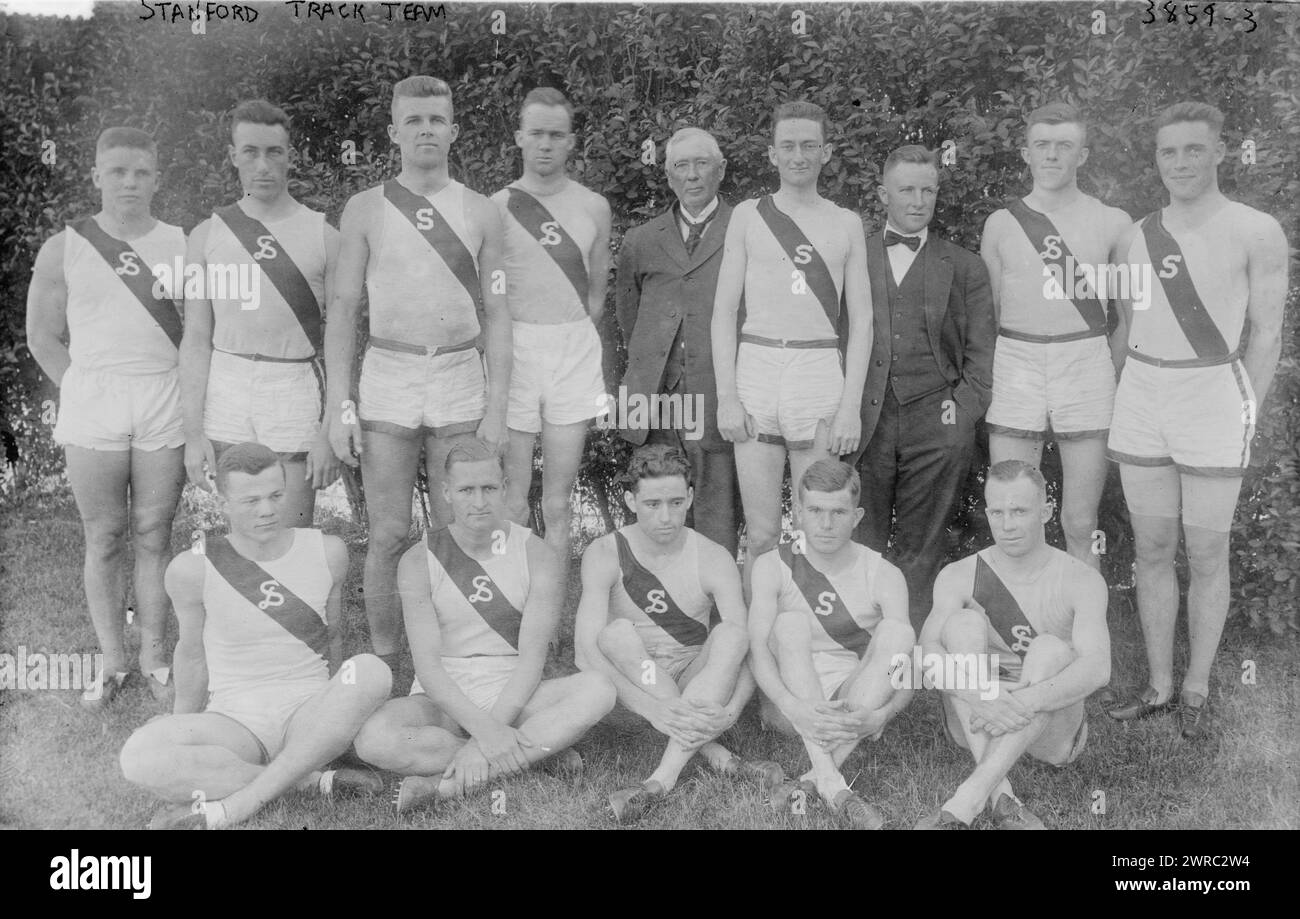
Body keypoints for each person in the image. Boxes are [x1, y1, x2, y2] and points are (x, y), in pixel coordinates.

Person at [1104, 101, 1288, 739]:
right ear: (1156, 159)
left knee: (1207, 552)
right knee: (1152, 547)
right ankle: (1157, 684)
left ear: (1219, 151)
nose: (1179, 163)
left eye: (1192, 149)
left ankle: (1197, 687)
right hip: (1144, 395)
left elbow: (1266, 336)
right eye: (1167, 152)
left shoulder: (1256, 229)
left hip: (1213, 394)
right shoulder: (1136, 233)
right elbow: (1125, 329)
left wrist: (1245, 410)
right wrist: (1120, 394)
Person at [326, 75, 512, 679]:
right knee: (387, 531)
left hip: (460, 372)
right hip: (389, 372)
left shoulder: (481, 211)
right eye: (414, 121)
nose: (426, 130)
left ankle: (455, 656)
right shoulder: (366, 208)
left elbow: (500, 311)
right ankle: (385, 659)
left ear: (454, 130)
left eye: (437, 119)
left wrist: (497, 406)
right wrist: (339, 406)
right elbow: (342, 311)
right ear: (393, 133)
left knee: (455, 527)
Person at [119, 442, 392, 829]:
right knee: (138, 755)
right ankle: (306, 781)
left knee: (370, 671)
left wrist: (333, 715)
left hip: (308, 710)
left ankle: (236, 805)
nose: (267, 510)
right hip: (236, 720)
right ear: (224, 502)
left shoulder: (328, 551)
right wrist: (182, 729)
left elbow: (334, 640)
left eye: (276, 496)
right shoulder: (192, 568)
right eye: (250, 501)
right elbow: (192, 654)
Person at [353, 439, 616, 812]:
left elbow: (530, 661)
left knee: (599, 689)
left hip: (514, 690)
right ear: (446, 493)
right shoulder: (418, 560)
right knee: (372, 739)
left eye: (489, 488)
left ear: (505, 489)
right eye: (466, 490)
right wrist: (488, 734)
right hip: (443, 697)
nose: (479, 501)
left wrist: (483, 740)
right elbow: (428, 668)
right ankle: (537, 753)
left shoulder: (537, 555)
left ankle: (447, 785)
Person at [25, 127, 188, 708]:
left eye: (141, 172)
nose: (129, 183)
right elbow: (41, 336)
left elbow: (198, 333)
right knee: (105, 535)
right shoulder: (64, 246)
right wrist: (84, 390)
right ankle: (113, 662)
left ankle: (154, 659)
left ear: (156, 179)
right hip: (94, 396)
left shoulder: (180, 243)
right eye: (117, 171)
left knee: (153, 533)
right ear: (96, 175)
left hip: (161, 394)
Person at [712, 101, 872, 598]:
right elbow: (722, 313)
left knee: (817, 532)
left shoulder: (846, 222)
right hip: (757, 366)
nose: (798, 155)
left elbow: (863, 319)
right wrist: (727, 397)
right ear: (771, 154)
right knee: (760, 534)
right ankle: (752, 643)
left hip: (818, 369)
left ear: (826, 152)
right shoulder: (746, 216)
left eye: (808, 145)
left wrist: (849, 408)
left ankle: (812, 640)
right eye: (788, 146)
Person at [574, 445, 780, 824]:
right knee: (616, 634)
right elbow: (585, 655)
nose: (665, 517)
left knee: (734, 633)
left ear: (689, 497)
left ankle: (660, 781)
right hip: (636, 683)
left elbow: (746, 649)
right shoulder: (604, 552)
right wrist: (655, 710)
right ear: (630, 500)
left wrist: (731, 713)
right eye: (652, 504)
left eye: (675, 502)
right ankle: (717, 755)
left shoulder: (714, 556)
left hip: (691, 679)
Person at [916, 460, 1109, 829]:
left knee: (1050, 648)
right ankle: (998, 797)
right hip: (973, 716)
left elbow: (1098, 667)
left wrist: (1022, 702)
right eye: (997, 512)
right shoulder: (957, 575)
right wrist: (976, 693)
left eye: (1020, 511)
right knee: (962, 624)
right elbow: (918, 658)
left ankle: (968, 799)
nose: (1007, 525)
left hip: (1049, 732)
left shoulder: (1081, 579)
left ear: (1047, 512)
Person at [980, 103, 1133, 566]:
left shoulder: (1114, 223)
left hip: (1085, 363)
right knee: (1014, 513)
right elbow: (990, 315)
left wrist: (1108, 369)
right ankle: (1023, 628)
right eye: (1041, 145)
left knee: (1080, 521)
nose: (1051, 156)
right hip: (1016, 361)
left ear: (1083, 155)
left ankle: (1083, 629)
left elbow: (1131, 317)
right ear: (1025, 153)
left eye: (1064, 146)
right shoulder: (1000, 224)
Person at [851, 144, 996, 630]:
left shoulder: (964, 265)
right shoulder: (853, 255)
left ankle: (907, 639)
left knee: (923, 540)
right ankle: (857, 634)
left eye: (927, 190)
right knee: (861, 531)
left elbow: (981, 355)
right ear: (882, 193)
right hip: (867, 416)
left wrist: (961, 416)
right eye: (906, 189)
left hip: (937, 417)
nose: (918, 200)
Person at [180, 99, 340, 529]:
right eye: (250, 152)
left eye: (274, 152)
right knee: (242, 532)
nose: (263, 164)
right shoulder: (207, 235)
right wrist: (193, 432)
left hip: (292, 384)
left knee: (291, 532)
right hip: (227, 384)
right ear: (233, 156)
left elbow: (342, 341)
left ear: (290, 155)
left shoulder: (324, 235)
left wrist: (330, 429)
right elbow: (195, 339)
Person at [748, 459, 914, 829]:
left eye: (838, 512)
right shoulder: (772, 565)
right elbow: (757, 651)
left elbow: (905, 666)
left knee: (900, 633)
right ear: (798, 513)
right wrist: (793, 705)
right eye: (816, 511)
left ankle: (817, 779)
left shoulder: (884, 573)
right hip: (788, 708)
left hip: (853, 701)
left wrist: (881, 716)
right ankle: (832, 782)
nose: (825, 524)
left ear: (856, 516)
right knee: (789, 623)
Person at [492, 87, 612, 585]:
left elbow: (597, 296)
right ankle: (510, 598)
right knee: (514, 495)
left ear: (571, 142)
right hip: (517, 351)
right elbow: (491, 295)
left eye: (556, 135)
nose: (545, 144)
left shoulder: (593, 206)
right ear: (519, 137)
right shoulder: (497, 206)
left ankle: (553, 604)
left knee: (558, 500)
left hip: (572, 350)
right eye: (536, 133)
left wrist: (569, 334)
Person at [615, 127, 740, 556]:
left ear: (720, 170)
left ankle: (722, 616)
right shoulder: (641, 240)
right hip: (656, 402)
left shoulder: (745, 230)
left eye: (702, 164)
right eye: (680, 166)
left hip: (716, 400)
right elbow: (629, 319)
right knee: (657, 514)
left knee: (716, 519)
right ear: (667, 176)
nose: (692, 176)